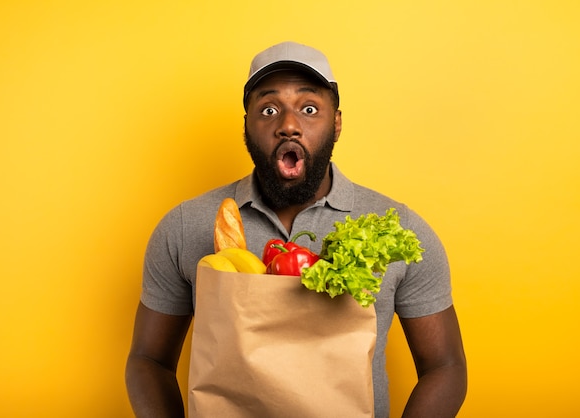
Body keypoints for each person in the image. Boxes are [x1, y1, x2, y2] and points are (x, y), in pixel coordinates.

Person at [126, 41, 467, 418]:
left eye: (309, 109)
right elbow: (148, 360)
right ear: (246, 126)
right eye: (268, 109)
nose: (288, 125)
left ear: (336, 123)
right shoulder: (185, 226)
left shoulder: (396, 227)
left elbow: (445, 366)